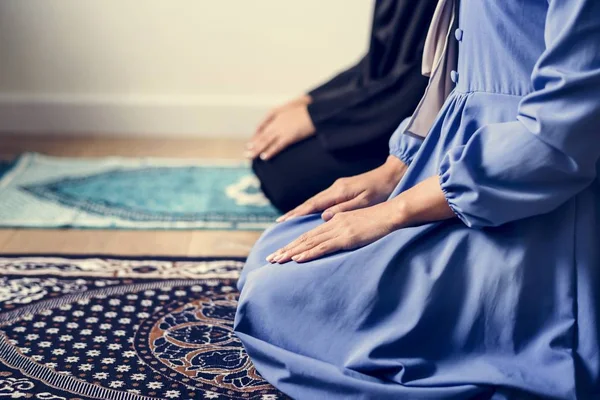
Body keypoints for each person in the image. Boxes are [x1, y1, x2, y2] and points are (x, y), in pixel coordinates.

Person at [234, 0, 600, 398]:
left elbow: (558, 139)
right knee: (270, 255)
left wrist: (396, 211)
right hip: (457, 163)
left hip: (533, 200)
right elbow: (460, 68)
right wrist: (397, 168)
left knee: (274, 297)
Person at [247, 0, 438, 212]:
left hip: (413, 123)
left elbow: (417, 85)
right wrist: (309, 100)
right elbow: (377, 61)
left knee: (284, 174)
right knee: (273, 159)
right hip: (385, 111)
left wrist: (317, 117)